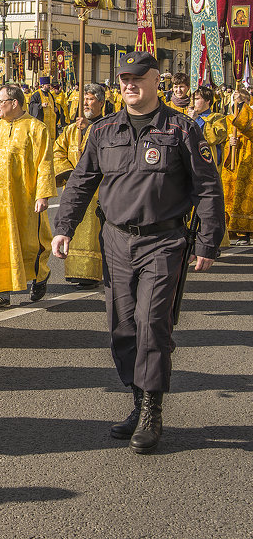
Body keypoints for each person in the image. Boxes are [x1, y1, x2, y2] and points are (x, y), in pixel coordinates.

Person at [52, 51, 224, 454]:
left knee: (152, 324)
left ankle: (152, 408)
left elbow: (207, 186)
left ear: (155, 81)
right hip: (115, 240)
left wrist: (208, 240)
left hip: (163, 241)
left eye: (137, 78)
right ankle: (135, 398)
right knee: (122, 327)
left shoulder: (180, 128)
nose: (129, 85)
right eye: (124, 79)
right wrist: (64, 228)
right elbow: (81, 181)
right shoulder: (104, 130)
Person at [0, 84, 56, 309]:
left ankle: (40, 275)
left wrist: (43, 195)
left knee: (31, 242)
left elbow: (45, 164)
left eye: (0, 101)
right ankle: (1, 292)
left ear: (14, 103)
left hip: (27, 198)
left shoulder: (36, 128)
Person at [53, 83, 107, 288]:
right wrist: (69, 173)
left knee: (95, 233)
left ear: (101, 102)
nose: (85, 103)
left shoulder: (106, 127)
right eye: (83, 99)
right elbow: (57, 152)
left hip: (98, 190)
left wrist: (90, 129)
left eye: (91, 99)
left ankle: (94, 273)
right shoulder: (70, 130)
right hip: (75, 187)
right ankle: (76, 272)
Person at [221, 87, 253, 244]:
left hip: (247, 161)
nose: (238, 104)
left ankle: (244, 232)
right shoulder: (226, 119)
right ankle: (229, 230)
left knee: (244, 196)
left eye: (242, 102)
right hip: (231, 164)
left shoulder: (251, 117)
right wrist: (229, 141)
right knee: (228, 195)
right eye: (235, 101)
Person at [28, 75, 64, 141]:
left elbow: (53, 104)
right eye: (48, 85)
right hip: (42, 120)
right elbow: (32, 105)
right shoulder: (36, 94)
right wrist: (40, 105)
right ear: (43, 85)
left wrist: (55, 108)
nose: (49, 87)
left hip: (51, 122)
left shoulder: (50, 95)